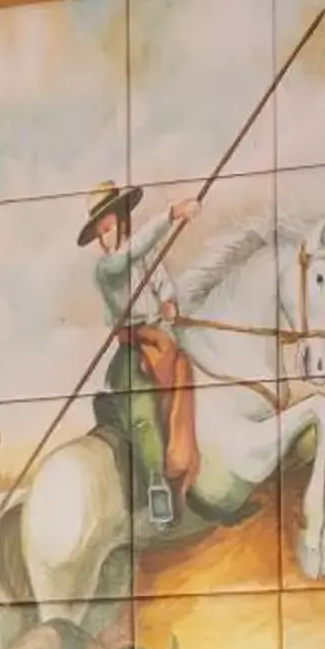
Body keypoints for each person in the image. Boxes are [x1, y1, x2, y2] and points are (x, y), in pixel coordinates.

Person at [82, 182, 201, 529]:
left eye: (108, 227)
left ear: (121, 221)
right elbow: (128, 256)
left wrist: (169, 303)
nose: (105, 237)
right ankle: (157, 488)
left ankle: (189, 468)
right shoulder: (106, 270)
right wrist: (171, 214)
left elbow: (162, 281)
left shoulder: (144, 255)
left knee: (187, 376)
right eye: (99, 232)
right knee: (144, 413)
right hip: (130, 354)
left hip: (161, 342)